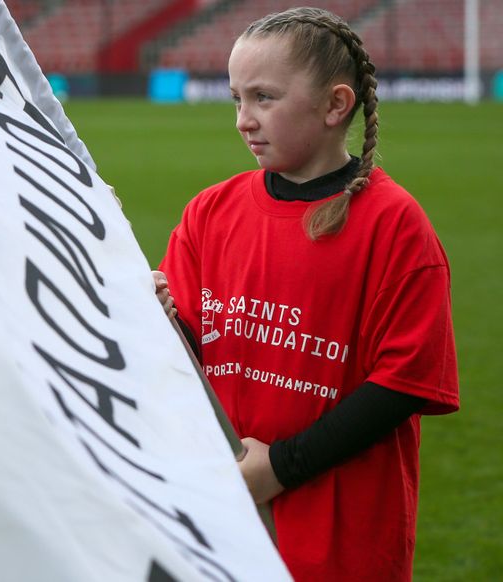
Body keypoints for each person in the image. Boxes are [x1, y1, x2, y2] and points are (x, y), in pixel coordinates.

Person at [154, 7, 458, 581]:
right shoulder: (208, 212)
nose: (244, 119)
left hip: (341, 538)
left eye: (264, 98)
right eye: (236, 99)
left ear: (335, 105)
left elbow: (400, 384)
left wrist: (282, 468)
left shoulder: (394, 225)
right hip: (225, 517)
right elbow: (190, 354)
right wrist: (156, 318)